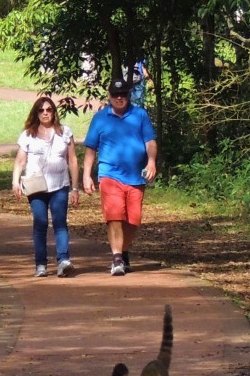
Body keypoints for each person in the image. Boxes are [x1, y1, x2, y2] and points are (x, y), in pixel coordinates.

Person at [81, 77, 157, 276]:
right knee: (114, 215)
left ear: (128, 95)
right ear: (109, 96)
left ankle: (123, 252)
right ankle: (116, 258)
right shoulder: (100, 118)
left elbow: (150, 141)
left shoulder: (140, 115)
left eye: (123, 94)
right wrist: (86, 175)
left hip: (135, 176)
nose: (119, 98)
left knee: (133, 220)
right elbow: (90, 148)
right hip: (109, 174)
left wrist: (151, 161)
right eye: (115, 95)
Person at [12, 96, 80, 278]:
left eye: (49, 110)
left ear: (54, 112)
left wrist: (75, 187)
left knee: (60, 222)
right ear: (36, 113)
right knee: (40, 223)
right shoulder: (28, 134)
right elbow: (20, 160)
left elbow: (72, 160)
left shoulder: (65, 132)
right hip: (36, 187)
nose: (45, 113)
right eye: (41, 110)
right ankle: (40, 263)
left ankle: (63, 260)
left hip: (60, 185)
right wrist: (15, 181)